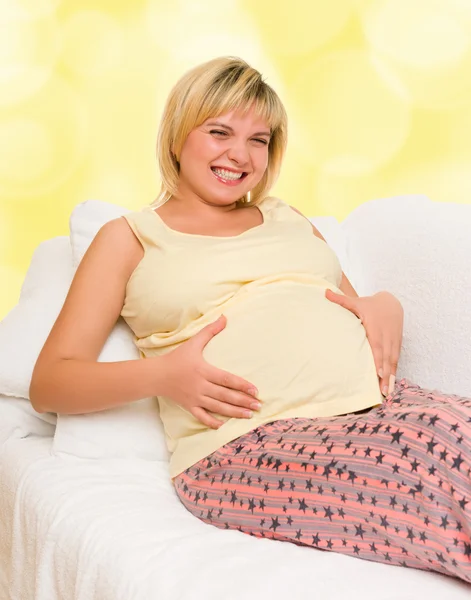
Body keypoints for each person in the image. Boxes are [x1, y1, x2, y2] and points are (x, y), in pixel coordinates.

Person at [30, 56, 471, 584]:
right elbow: (51, 382)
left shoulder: (288, 218)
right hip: (250, 444)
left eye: (259, 140)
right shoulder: (129, 238)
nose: (239, 155)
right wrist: (164, 375)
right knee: (442, 461)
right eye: (219, 132)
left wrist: (385, 304)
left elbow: (349, 305)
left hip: (381, 404)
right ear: (176, 136)